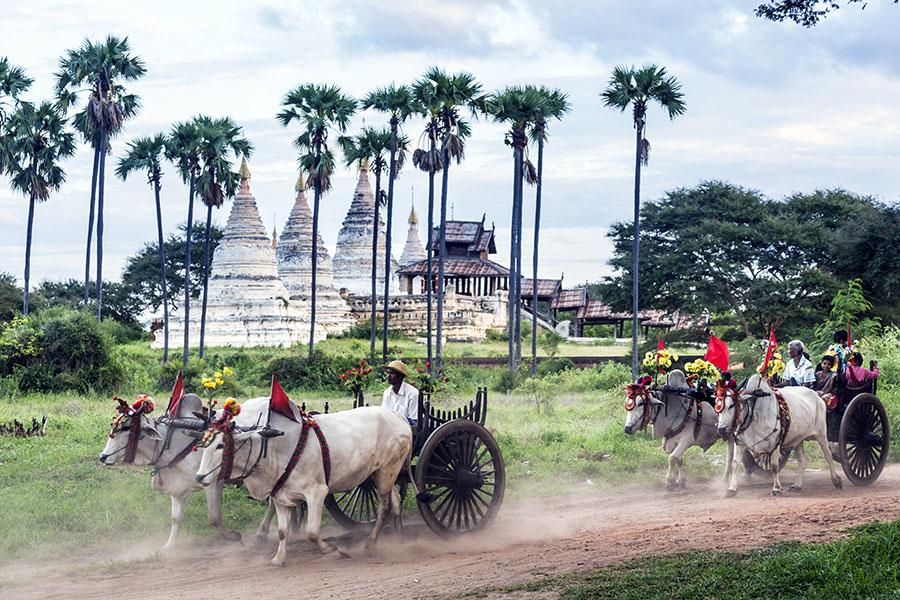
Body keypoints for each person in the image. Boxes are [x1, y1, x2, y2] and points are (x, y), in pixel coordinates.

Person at [381, 360, 419, 426]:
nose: (388, 376)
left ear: (400, 376)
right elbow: (384, 415)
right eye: (388, 373)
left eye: (392, 373)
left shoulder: (413, 394)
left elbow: (414, 421)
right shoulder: (387, 393)